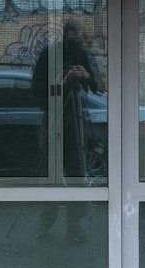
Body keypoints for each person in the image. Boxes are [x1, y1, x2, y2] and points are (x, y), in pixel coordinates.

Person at [33, 21, 101, 237]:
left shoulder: (83, 55)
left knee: (77, 174)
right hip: (53, 118)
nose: (72, 37)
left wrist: (87, 76)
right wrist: (64, 81)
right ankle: (46, 220)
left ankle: (74, 224)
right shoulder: (49, 55)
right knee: (50, 172)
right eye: (69, 33)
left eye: (76, 33)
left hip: (75, 119)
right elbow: (37, 91)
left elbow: (99, 86)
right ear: (63, 34)